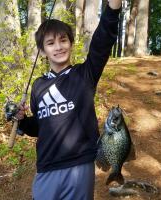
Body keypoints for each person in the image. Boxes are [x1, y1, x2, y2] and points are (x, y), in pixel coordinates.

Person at [14, 1, 121, 199]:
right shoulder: (38, 86)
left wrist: (113, 9)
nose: (58, 47)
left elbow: (102, 42)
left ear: (71, 43)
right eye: (50, 43)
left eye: (63, 40)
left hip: (78, 165)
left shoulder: (85, 74)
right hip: (45, 166)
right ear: (43, 51)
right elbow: (40, 126)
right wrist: (21, 120)